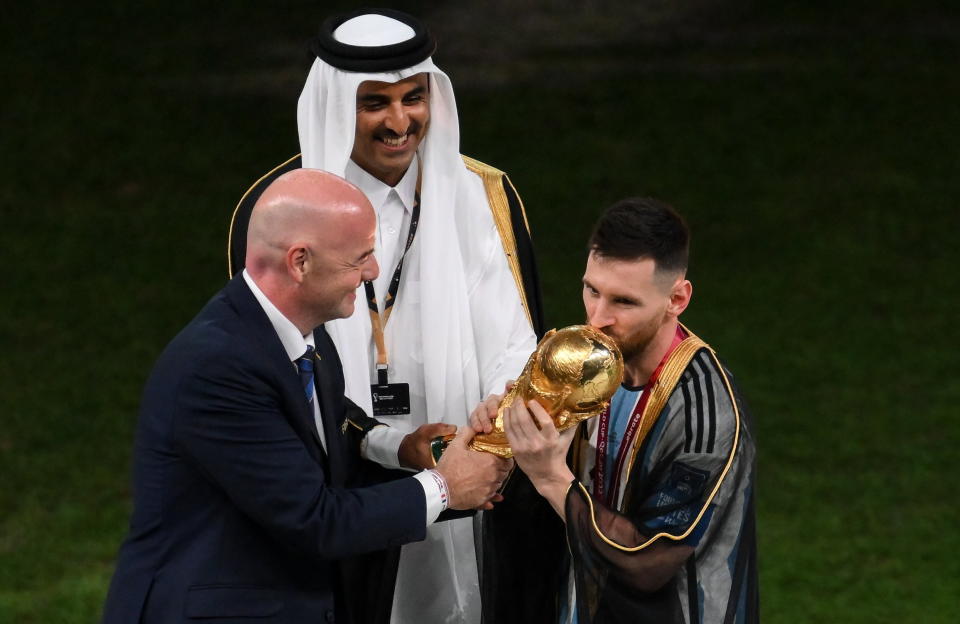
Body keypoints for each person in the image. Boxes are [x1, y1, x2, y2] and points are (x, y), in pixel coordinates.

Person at [226, 8, 543, 624]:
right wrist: (390, 446)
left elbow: (514, 340)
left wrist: (499, 415)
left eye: (414, 97)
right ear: (339, 105)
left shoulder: (482, 195)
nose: (401, 122)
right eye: (375, 103)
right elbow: (274, 372)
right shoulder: (279, 210)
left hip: (471, 467)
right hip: (338, 481)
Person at [100, 169, 511, 624]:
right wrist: (447, 487)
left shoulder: (299, 335)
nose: (372, 271)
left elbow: (327, 432)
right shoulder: (216, 368)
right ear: (300, 262)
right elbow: (316, 519)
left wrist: (409, 450)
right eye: (360, 258)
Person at [474, 198, 759, 623]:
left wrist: (550, 473)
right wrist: (506, 433)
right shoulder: (589, 366)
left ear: (676, 299)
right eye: (592, 290)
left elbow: (648, 564)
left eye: (623, 302)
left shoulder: (705, 419)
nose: (597, 318)